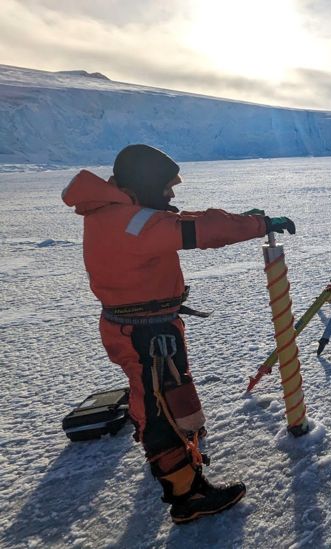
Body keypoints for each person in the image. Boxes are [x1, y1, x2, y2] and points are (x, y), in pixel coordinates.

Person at [62, 144, 296, 524]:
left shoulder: (121, 214)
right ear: (145, 183)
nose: (171, 194)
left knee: (168, 395)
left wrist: (245, 219)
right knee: (159, 409)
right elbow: (199, 229)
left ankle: (184, 458)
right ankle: (186, 496)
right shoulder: (132, 224)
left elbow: (183, 218)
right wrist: (258, 225)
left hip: (146, 328)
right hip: (145, 335)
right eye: (166, 186)